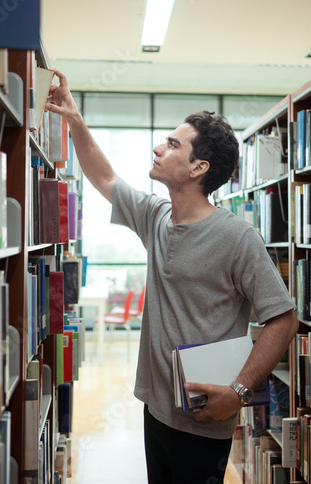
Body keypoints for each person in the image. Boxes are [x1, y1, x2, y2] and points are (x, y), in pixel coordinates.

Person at [46, 69, 299, 483]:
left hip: (204, 421)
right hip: (156, 409)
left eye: (172, 144)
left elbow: (284, 319)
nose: (158, 147)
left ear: (199, 166)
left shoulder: (238, 237)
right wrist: (73, 117)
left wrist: (237, 393)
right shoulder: (156, 216)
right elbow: (105, 176)